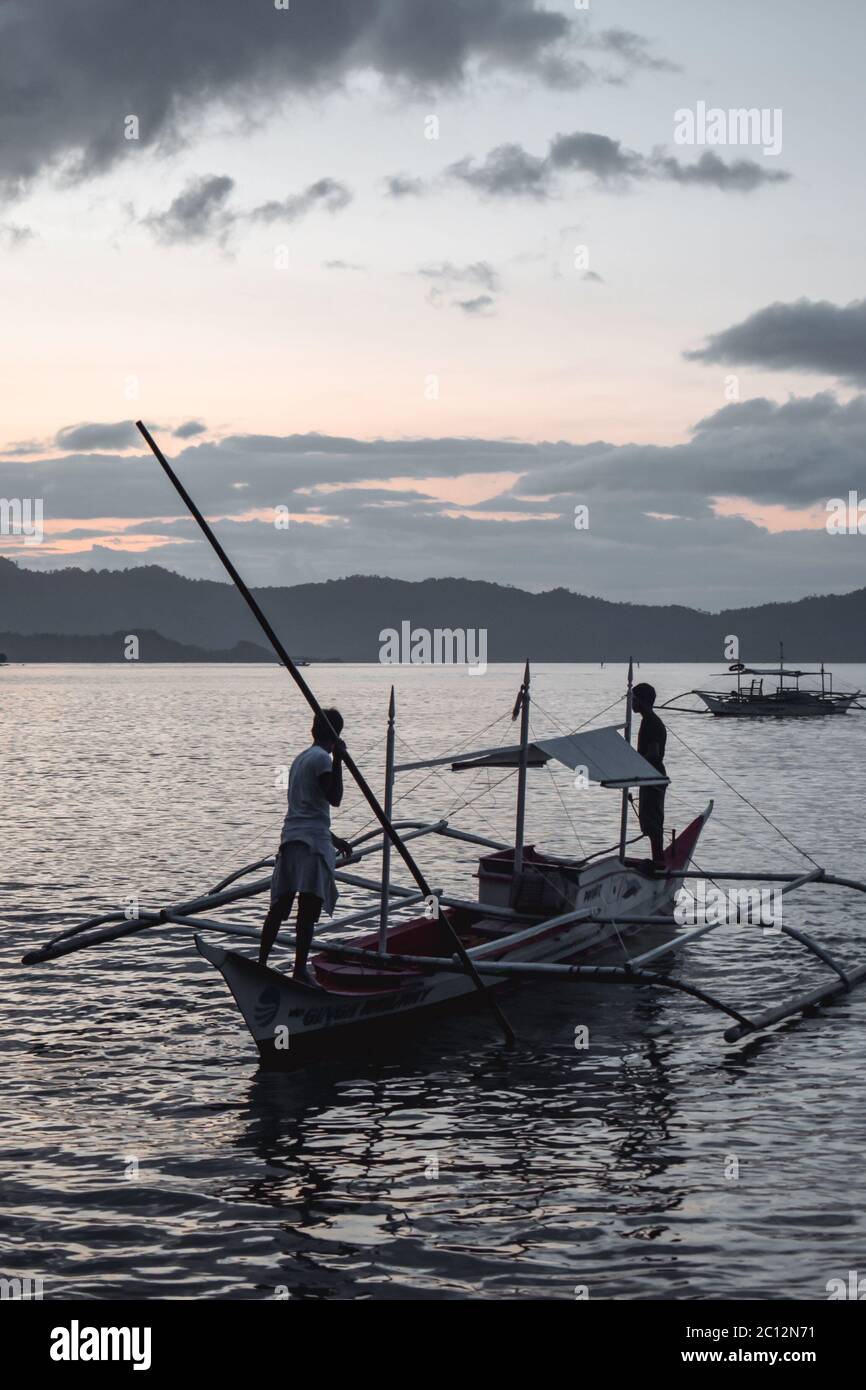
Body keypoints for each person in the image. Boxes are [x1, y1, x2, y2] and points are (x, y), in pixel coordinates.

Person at [259, 707, 353, 980]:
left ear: (315, 730)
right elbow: (334, 797)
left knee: (280, 906)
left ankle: (263, 961)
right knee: (307, 911)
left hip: (293, 838)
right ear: (335, 736)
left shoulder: (301, 759)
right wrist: (339, 760)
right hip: (310, 846)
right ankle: (299, 969)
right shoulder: (322, 759)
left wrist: (334, 839)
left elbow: (308, 808)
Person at [631, 682, 668, 870]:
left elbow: (654, 753)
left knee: (653, 821)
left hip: (653, 777)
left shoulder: (651, 722)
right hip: (649, 775)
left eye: (634, 699)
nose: (631, 702)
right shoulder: (648, 720)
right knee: (649, 820)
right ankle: (657, 858)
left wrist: (634, 762)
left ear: (643, 701)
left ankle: (658, 861)